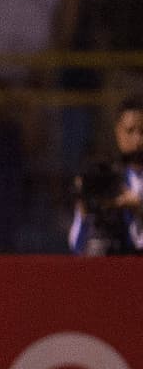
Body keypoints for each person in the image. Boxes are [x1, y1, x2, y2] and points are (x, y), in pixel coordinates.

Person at [69, 97, 143, 255]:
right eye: (130, 131)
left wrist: (137, 208)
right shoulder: (106, 177)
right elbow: (77, 247)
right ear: (118, 131)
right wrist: (85, 208)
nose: (138, 140)